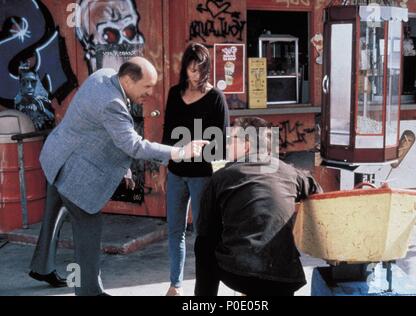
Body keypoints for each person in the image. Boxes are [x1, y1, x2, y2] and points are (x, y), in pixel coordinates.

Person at [32, 57, 208, 296]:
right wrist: (179, 152)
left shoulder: (103, 75)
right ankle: (90, 291)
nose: (150, 92)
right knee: (88, 233)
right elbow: (133, 146)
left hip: (57, 157)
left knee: (53, 215)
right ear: (127, 79)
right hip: (76, 174)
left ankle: (42, 266)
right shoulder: (112, 103)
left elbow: (99, 128)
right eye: (146, 87)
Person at [194, 117, 322, 296]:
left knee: (204, 243)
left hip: (239, 273)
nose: (228, 145)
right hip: (285, 277)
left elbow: (206, 230)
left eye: (232, 140)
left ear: (247, 146)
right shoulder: (290, 172)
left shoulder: (221, 177)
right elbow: (319, 194)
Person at [161, 43, 229, 296]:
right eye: (191, 69)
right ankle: (175, 285)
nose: (196, 75)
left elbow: (221, 143)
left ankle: (204, 289)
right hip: (176, 173)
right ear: (185, 69)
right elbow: (167, 134)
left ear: (207, 70)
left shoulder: (216, 98)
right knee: (175, 231)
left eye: (200, 70)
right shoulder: (173, 93)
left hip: (203, 176)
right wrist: (163, 169)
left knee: (204, 235)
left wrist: (202, 151)